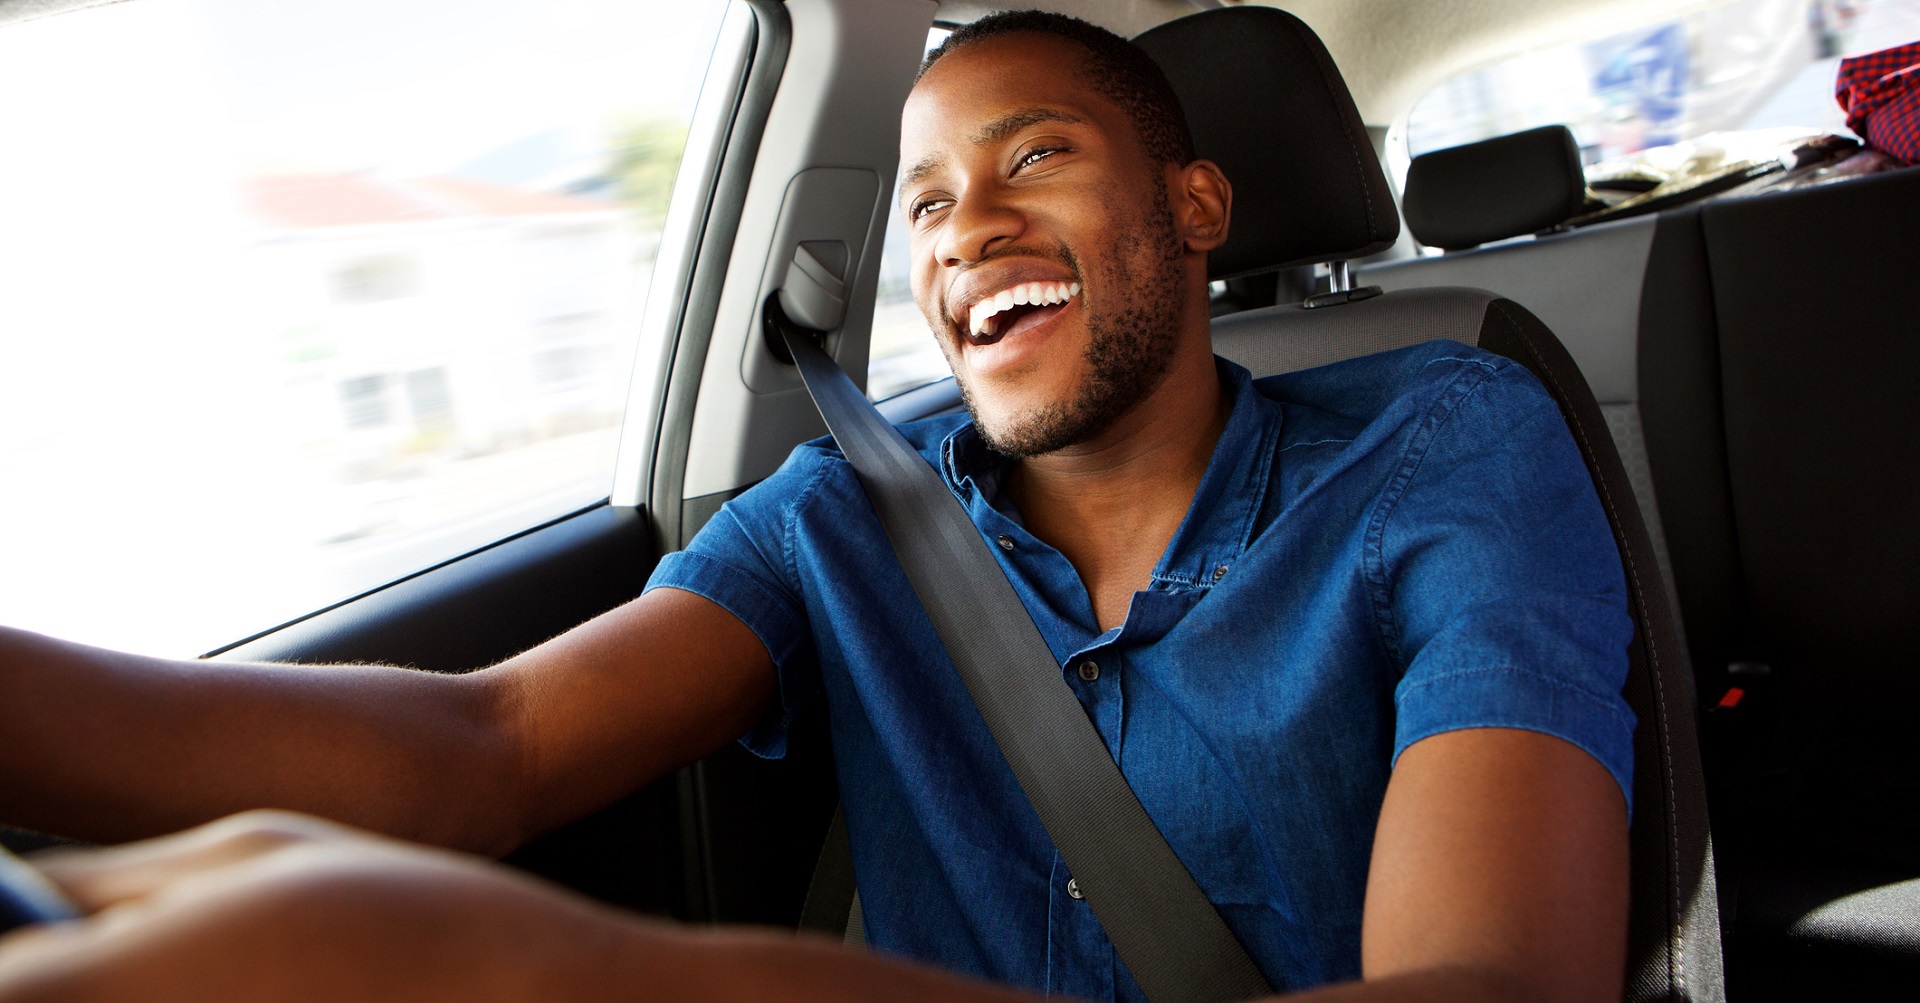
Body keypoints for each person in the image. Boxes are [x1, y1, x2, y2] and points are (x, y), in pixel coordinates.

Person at [0, 11, 1634, 1002]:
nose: (966, 229)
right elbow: (486, 748)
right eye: (926, 201)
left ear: (1196, 207)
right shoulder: (844, 517)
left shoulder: (1444, 440)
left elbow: (1491, 986)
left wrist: (553, 980)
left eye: (1035, 158)